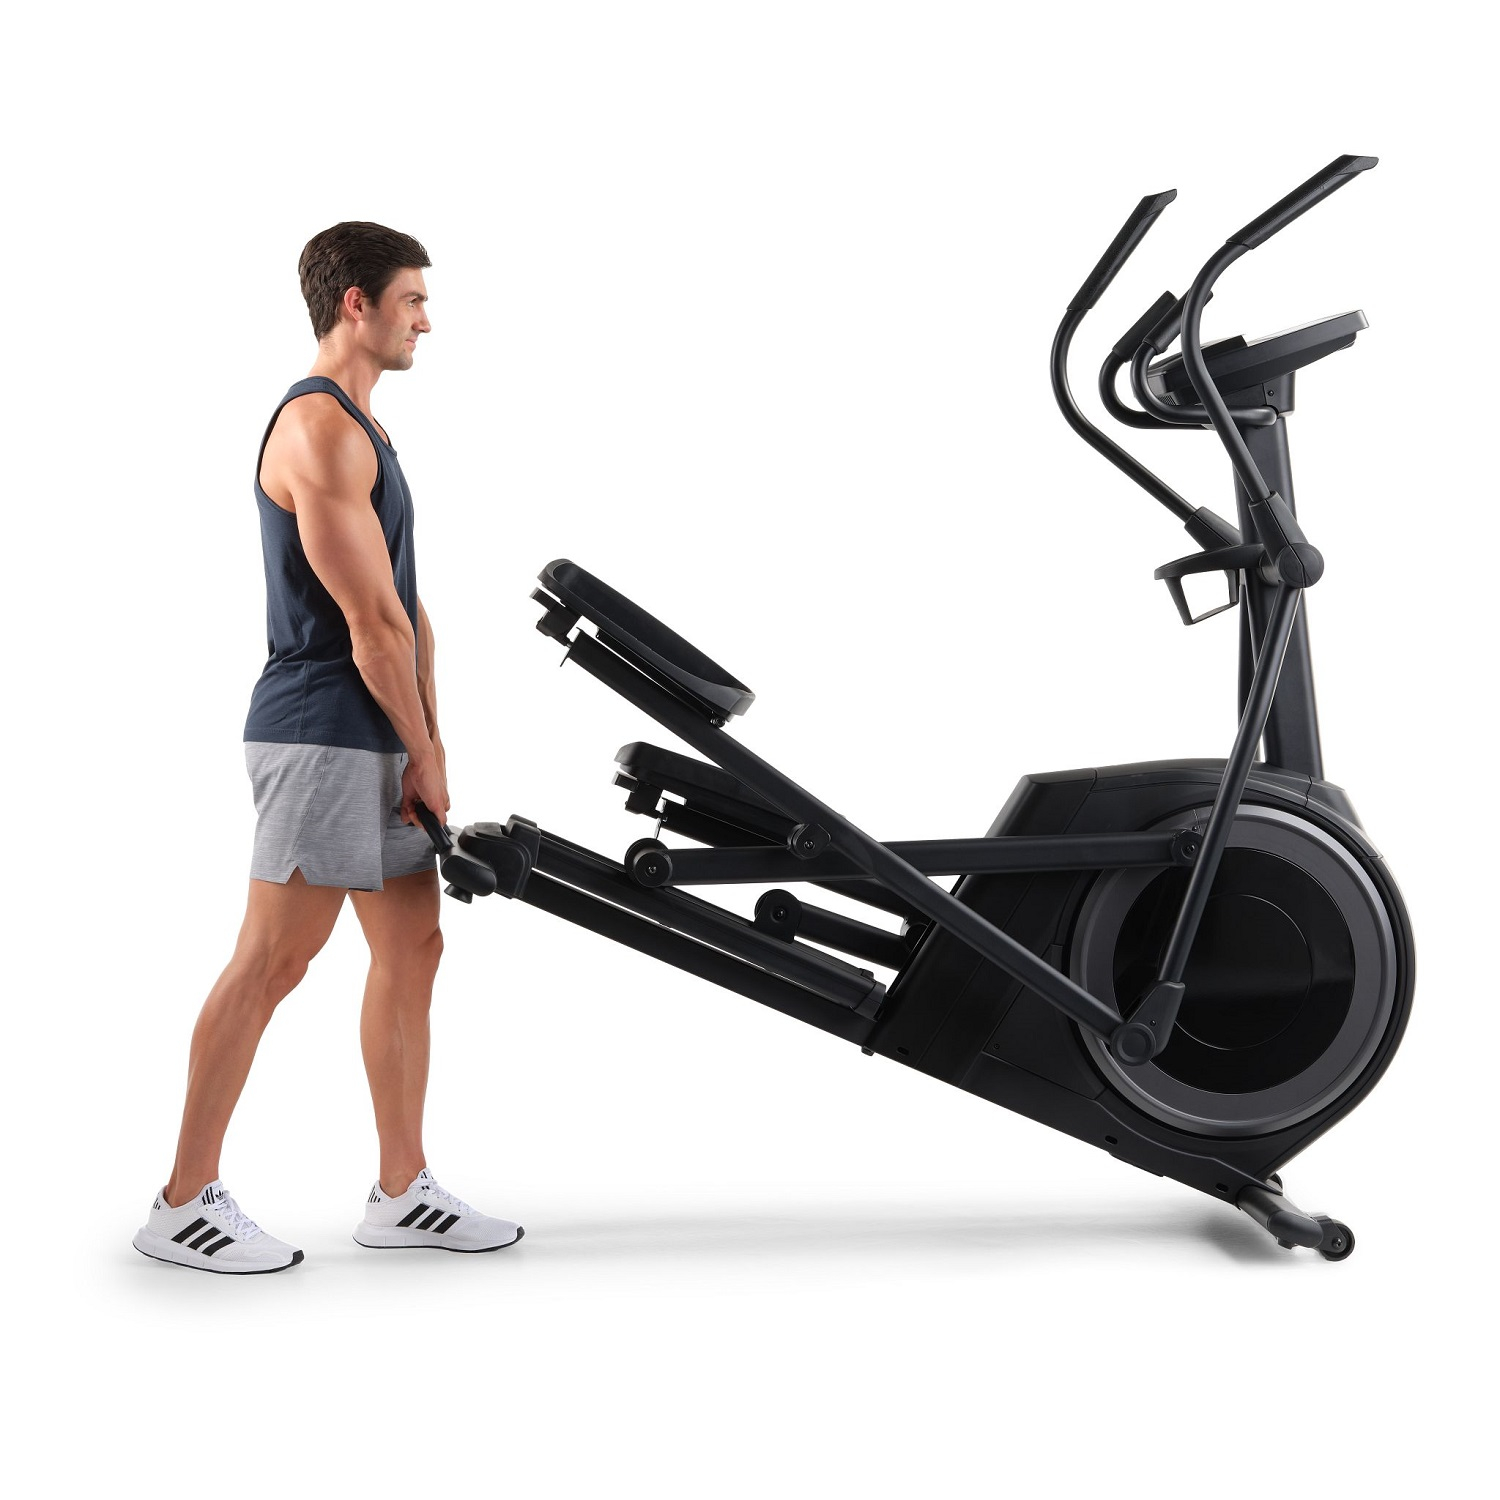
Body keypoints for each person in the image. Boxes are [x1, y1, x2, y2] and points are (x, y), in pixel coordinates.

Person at [133, 222, 521, 1273]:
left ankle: (401, 1190)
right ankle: (181, 1201)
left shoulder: (369, 431)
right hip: (321, 732)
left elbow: (411, 611)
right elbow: (370, 626)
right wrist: (422, 751)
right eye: (412, 300)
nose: (426, 320)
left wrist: (431, 742)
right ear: (357, 303)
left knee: (413, 947)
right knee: (274, 961)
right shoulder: (317, 428)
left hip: (378, 732)